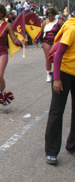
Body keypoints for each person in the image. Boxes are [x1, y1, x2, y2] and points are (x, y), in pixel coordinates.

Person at [44, 16, 75, 165]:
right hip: (63, 74)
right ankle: (51, 151)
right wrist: (56, 78)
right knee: (57, 111)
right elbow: (58, 56)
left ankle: (72, 145)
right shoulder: (72, 29)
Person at [34, 8, 63, 82]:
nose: (50, 18)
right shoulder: (44, 22)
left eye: (52, 16)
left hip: (55, 41)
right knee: (47, 58)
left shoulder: (59, 22)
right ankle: (48, 74)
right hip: (46, 41)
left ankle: (57, 74)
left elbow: (64, 31)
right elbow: (41, 32)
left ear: (54, 15)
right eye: (49, 16)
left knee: (56, 58)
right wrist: (36, 39)